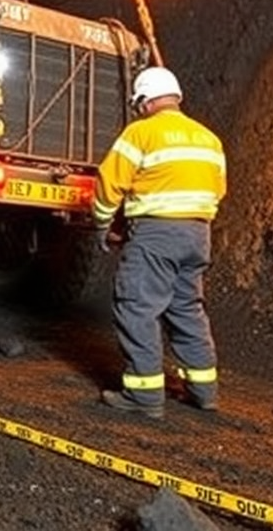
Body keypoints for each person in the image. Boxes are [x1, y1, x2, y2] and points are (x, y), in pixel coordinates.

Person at [94, 65, 226, 419]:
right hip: (199, 235)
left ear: (144, 101)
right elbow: (218, 188)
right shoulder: (209, 138)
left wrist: (103, 222)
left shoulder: (141, 133)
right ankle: (204, 391)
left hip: (156, 235)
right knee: (187, 308)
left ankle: (144, 395)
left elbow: (109, 182)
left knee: (137, 305)